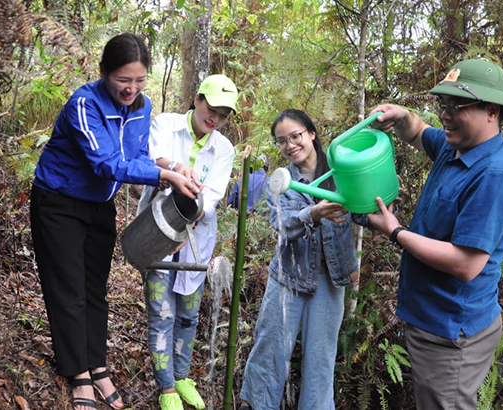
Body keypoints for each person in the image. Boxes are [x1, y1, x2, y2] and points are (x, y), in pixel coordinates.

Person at [30, 34, 199, 410]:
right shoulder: (84, 104)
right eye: (124, 80)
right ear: (105, 72)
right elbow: (105, 163)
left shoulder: (143, 108)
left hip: (99, 206)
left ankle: (97, 364)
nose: (131, 88)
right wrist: (166, 178)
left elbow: (138, 154)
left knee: (95, 290)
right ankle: (78, 375)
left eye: (139, 80)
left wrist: (171, 166)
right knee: (69, 290)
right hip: (58, 202)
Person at [359, 59, 503, 410]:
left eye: (457, 107)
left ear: (492, 111)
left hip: (452, 334)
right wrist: (402, 115)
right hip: (430, 322)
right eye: (443, 106)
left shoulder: (496, 174)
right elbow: (419, 132)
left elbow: (466, 264)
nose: (446, 115)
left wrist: (395, 231)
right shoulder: (456, 147)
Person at [239, 109, 361, 410]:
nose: (290, 145)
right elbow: (282, 225)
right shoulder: (281, 182)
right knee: (269, 351)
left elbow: (364, 211)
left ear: (311, 133)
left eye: (296, 136)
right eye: (282, 141)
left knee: (320, 360)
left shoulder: (341, 171)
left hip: (329, 281)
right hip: (288, 279)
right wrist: (313, 213)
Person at [137, 74, 238, 410]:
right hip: (158, 233)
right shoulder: (167, 124)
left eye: (224, 115)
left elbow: (212, 197)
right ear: (197, 99)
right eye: (213, 109)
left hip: (197, 241)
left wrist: (188, 221)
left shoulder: (223, 148)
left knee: (188, 315)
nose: (216, 119)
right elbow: (152, 157)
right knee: (162, 311)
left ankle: (182, 376)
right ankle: (166, 387)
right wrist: (178, 167)